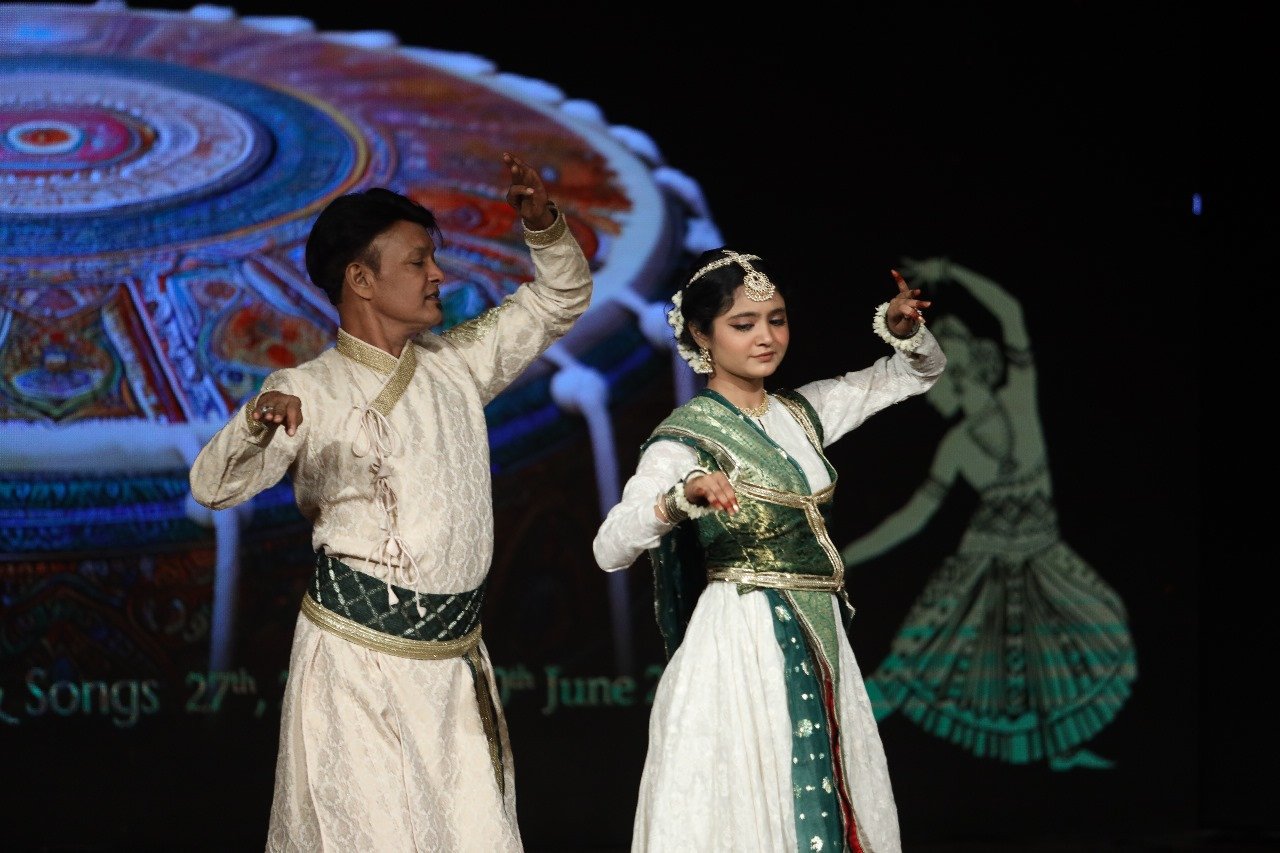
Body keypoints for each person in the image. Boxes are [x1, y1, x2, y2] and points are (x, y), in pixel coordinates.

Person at [188, 152, 592, 852]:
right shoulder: (307, 388)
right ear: (361, 279)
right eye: (417, 261)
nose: (438, 275)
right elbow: (213, 485)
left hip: (454, 666)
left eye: (432, 260)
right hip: (356, 668)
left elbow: (559, 299)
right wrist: (256, 420)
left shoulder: (458, 366)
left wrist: (542, 222)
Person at [592, 248, 946, 853]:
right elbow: (610, 546)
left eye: (776, 319)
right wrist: (681, 498)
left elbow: (915, 374)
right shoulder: (685, 439)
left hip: (820, 628)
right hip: (744, 636)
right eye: (743, 324)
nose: (765, 336)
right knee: (754, 801)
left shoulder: (802, 414)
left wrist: (902, 334)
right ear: (701, 335)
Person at [841, 256, 1136, 771]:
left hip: (1043, 554)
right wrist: (843, 556)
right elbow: (912, 519)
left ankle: (1059, 748)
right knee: (916, 656)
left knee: (1064, 648)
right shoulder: (956, 446)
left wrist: (948, 271)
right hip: (982, 559)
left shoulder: (1019, 398)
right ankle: (838, 738)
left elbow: (1011, 313)